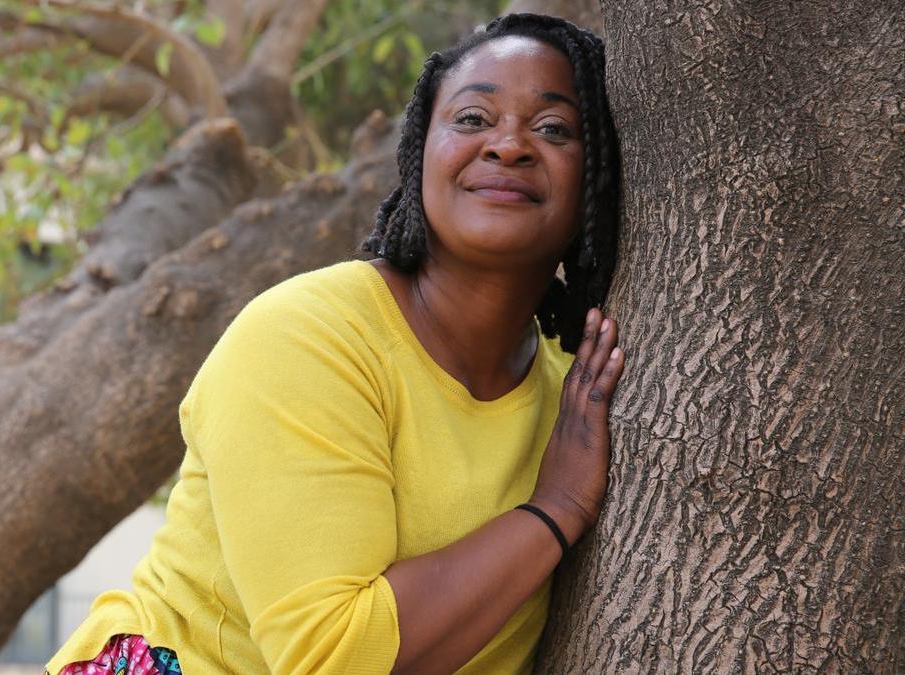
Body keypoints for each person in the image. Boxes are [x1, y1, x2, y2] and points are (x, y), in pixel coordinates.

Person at [47, 12, 623, 675]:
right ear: (418, 153)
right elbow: (332, 656)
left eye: (554, 129)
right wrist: (555, 510)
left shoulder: (578, 396)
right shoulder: (306, 337)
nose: (509, 145)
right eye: (472, 119)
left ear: (599, 181)